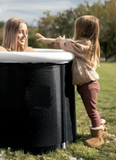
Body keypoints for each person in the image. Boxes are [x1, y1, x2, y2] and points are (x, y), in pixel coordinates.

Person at [35, 15, 108, 148]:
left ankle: (97, 137)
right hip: (84, 85)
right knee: (91, 109)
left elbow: (66, 44)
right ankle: (101, 126)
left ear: (83, 29)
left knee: (92, 111)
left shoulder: (86, 45)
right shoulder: (78, 44)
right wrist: (47, 40)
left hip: (89, 85)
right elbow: (65, 44)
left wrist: (61, 41)